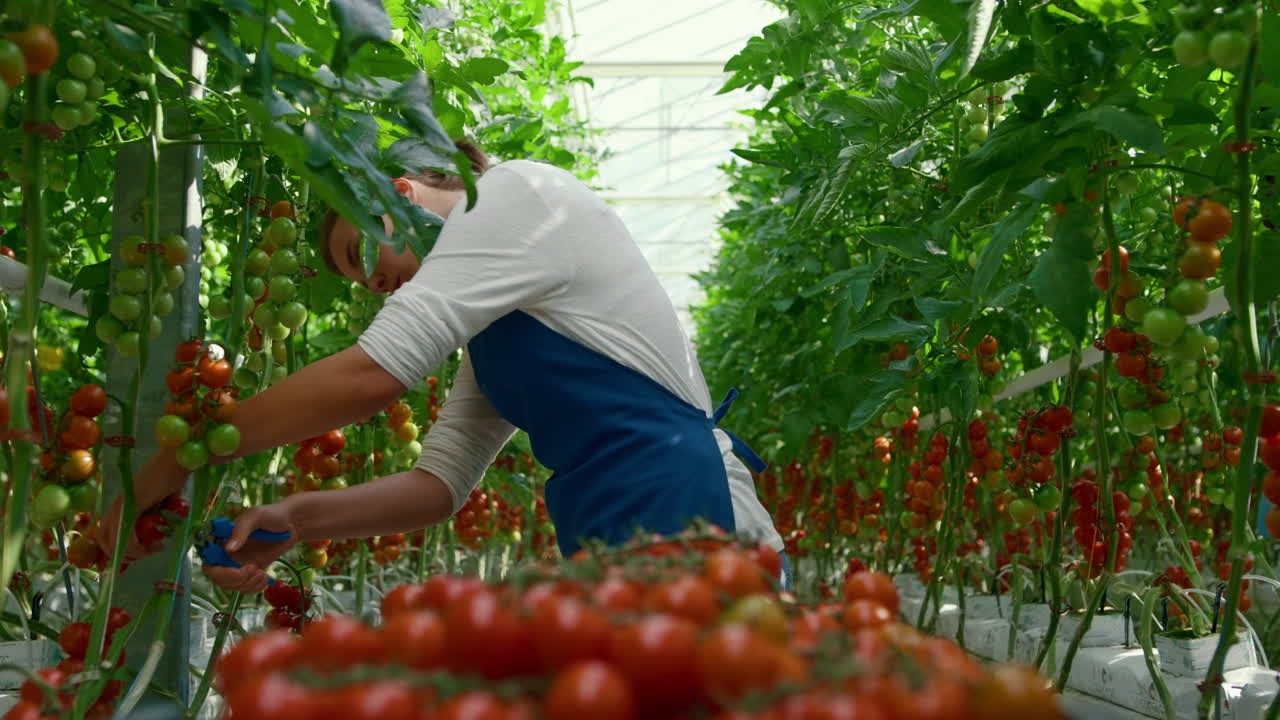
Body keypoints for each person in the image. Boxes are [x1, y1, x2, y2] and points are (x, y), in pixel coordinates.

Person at [102, 140, 787, 592]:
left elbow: (372, 376)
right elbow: (439, 486)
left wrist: (181, 456)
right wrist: (295, 518)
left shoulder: (514, 194)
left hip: (690, 507)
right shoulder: (495, 318)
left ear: (396, 193)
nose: (372, 286)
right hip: (614, 526)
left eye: (360, 256)